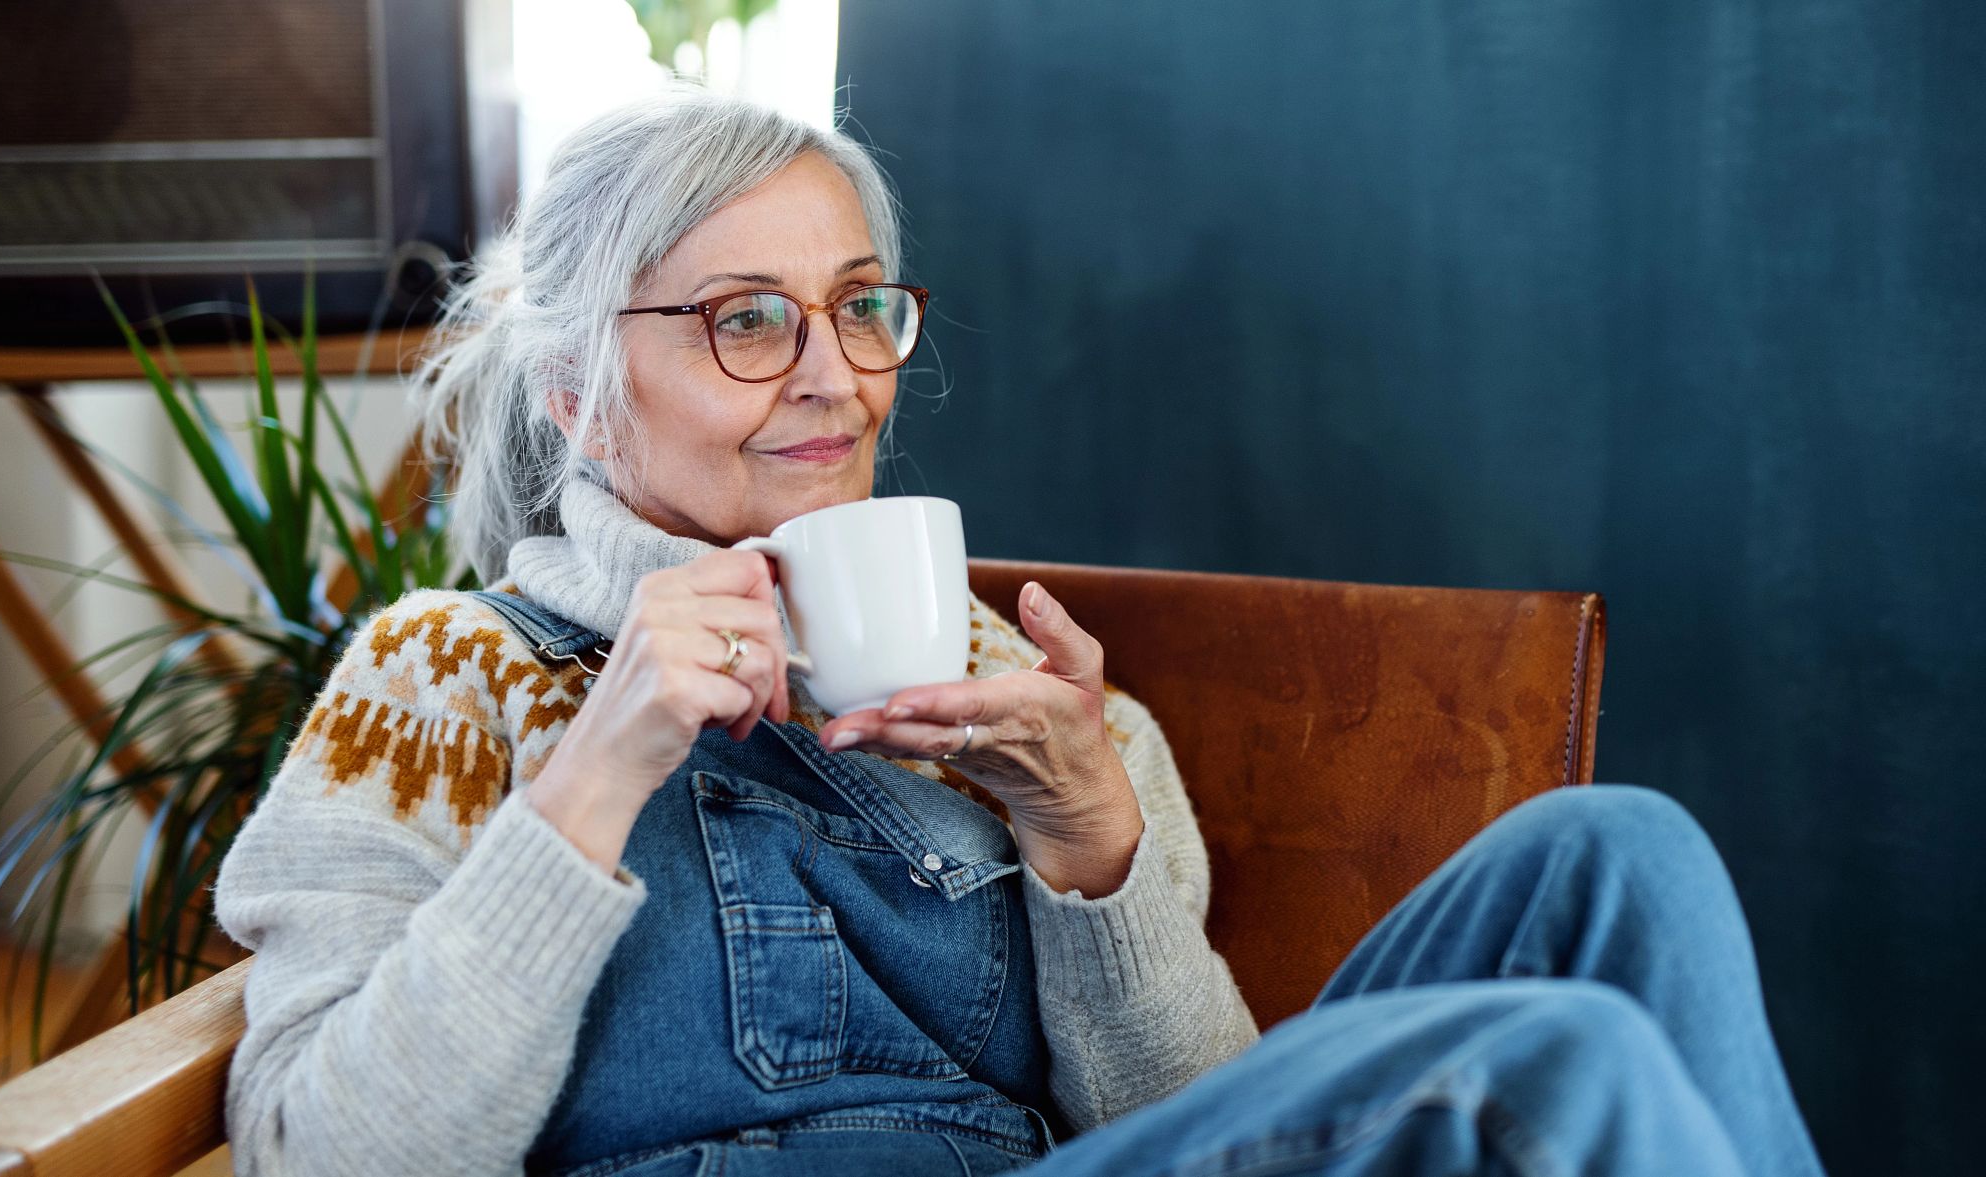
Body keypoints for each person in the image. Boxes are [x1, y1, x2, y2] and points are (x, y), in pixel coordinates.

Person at [211, 85, 1828, 1177]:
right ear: (575, 386)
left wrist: (1094, 841)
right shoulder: (440, 676)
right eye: (744, 322)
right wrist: (598, 766)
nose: (835, 375)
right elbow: (322, 1149)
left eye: (859, 305)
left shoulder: (1026, 696)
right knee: (1547, 1065)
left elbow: (1196, 1126)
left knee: (1623, 856)